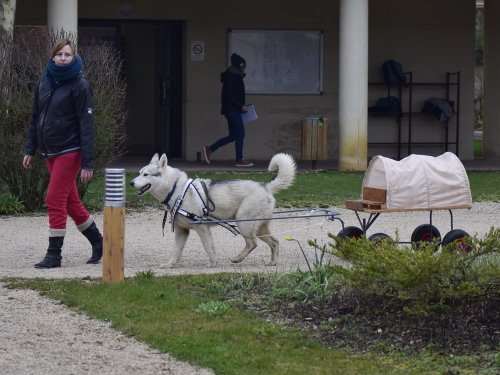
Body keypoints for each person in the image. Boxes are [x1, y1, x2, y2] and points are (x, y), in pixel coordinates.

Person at [22, 38, 103, 268]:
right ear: (53, 57)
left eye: (68, 54)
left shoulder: (80, 85)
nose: (64, 58)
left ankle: (54, 255)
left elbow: (86, 125)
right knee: (70, 202)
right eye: (60, 54)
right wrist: (30, 148)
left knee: (54, 199)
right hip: (50, 151)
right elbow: (35, 117)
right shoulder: (45, 81)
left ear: (74, 57)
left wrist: (88, 162)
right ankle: (99, 242)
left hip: (71, 150)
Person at [203, 53, 254, 167]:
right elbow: (228, 95)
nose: (244, 68)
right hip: (232, 110)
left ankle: (210, 149)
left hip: (232, 110)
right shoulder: (232, 77)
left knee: (233, 136)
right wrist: (241, 106)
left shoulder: (234, 76)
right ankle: (239, 159)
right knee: (240, 134)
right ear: (239, 66)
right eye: (243, 66)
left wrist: (241, 106)